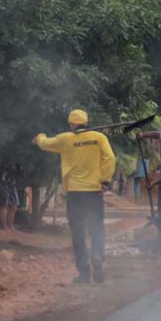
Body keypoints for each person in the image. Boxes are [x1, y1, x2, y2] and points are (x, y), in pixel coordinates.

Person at [33, 109, 115, 284]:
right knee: (96, 228)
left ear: (72, 124)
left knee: (78, 233)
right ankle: (98, 254)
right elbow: (110, 158)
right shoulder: (99, 138)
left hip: (75, 193)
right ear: (87, 122)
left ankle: (84, 274)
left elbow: (46, 143)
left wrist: (39, 137)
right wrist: (105, 181)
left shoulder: (65, 139)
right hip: (94, 192)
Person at [0, 164, 21, 234]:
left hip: (12, 182)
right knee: (3, 204)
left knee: (14, 204)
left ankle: (10, 225)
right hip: (3, 181)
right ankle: (4, 226)